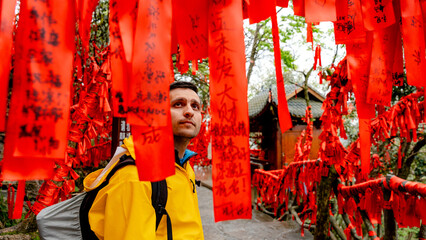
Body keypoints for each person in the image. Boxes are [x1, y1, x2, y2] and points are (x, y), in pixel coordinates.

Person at [83, 81, 204, 239]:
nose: (189, 112)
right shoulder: (134, 176)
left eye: (195, 106)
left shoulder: (183, 166)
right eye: (178, 104)